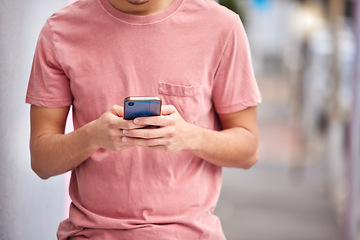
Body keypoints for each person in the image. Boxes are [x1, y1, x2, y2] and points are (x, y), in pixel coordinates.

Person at [26, 0, 261, 239]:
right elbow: (42, 161)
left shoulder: (221, 26)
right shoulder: (60, 30)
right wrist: (92, 136)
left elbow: (248, 150)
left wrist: (190, 136)